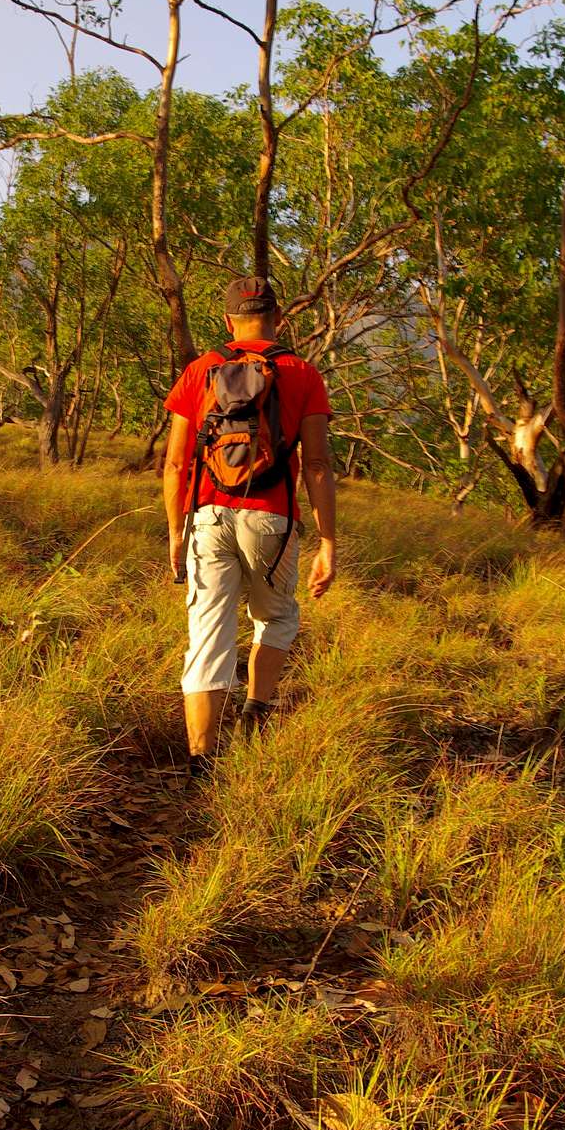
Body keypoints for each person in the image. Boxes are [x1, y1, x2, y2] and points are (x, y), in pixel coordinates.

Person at [162, 275, 337, 776]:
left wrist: (177, 532)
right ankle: (255, 715)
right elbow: (319, 464)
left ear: (228, 321)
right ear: (277, 318)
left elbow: (175, 465)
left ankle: (202, 761)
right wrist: (327, 542)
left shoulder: (200, 370)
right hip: (273, 518)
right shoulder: (302, 372)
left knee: (208, 635)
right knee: (277, 618)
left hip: (207, 515)